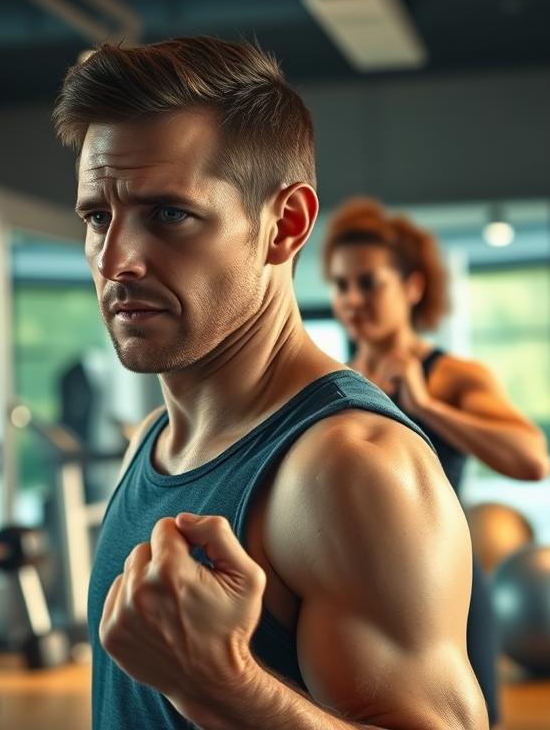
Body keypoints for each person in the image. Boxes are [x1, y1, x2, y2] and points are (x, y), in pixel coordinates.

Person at [52, 37, 488, 730]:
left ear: (284, 225)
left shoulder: (350, 467)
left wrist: (223, 686)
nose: (116, 261)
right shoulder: (155, 441)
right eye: (98, 217)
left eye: (169, 214)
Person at [323, 198, 550, 727]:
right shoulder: (333, 381)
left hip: (442, 587)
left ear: (412, 287)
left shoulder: (451, 376)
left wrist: (426, 407)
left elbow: (534, 459)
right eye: (339, 285)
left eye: (368, 283)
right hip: (353, 590)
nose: (351, 299)